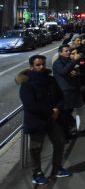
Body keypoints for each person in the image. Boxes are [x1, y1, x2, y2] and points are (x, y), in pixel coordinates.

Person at [17, 54, 73, 185]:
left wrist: (57, 109)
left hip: (52, 118)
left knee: (60, 142)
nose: (41, 67)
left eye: (43, 64)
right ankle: (37, 173)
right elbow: (30, 104)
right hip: (37, 121)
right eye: (38, 65)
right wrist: (50, 112)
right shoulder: (26, 83)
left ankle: (57, 168)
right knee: (36, 149)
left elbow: (60, 96)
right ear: (31, 66)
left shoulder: (50, 80)